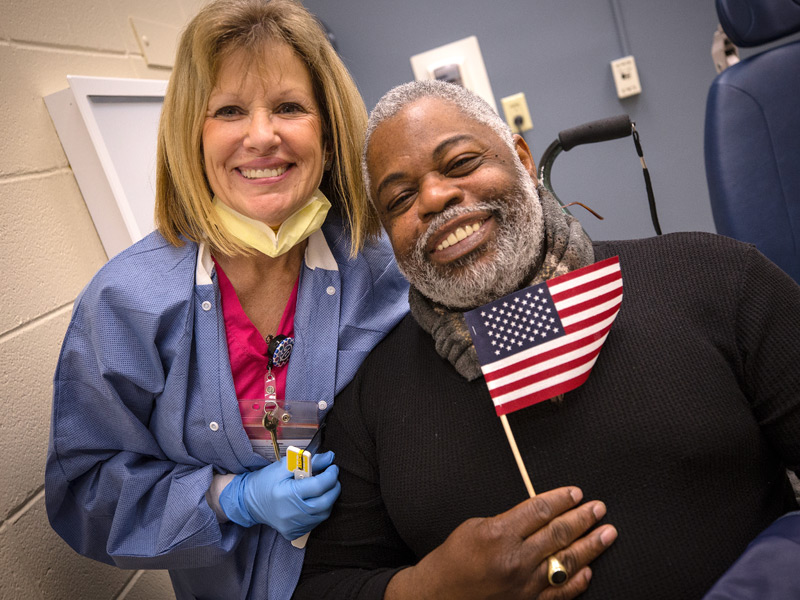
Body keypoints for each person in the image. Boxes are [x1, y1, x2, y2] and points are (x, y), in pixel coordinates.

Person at [293, 80, 800, 599]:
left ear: (521, 157)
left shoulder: (717, 278)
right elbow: (322, 586)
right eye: (399, 197)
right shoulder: (370, 401)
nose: (435, 197)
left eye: (462, 162)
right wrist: (427, 589)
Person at [45, 1, 408, 598]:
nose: (262, 135)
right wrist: (227, 499)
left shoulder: (377, 263)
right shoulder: (129, 303)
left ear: (328, 125)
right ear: (192, 133)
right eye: (230, 110)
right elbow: (85, 490)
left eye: (289, 107)